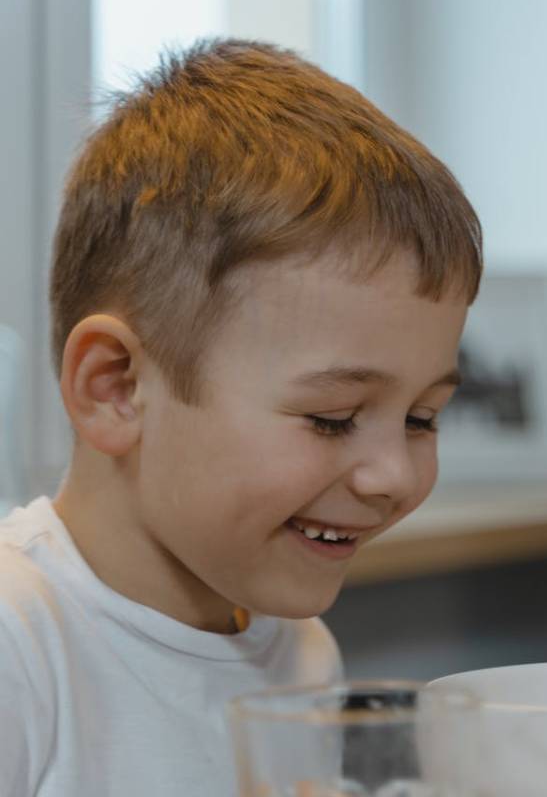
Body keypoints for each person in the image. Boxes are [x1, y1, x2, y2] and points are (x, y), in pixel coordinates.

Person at [0, 40, 481, 796]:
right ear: (116, 388)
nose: (396, 477)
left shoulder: (301, 652)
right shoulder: (19, 646)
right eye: (333, 417)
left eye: (423, 418)